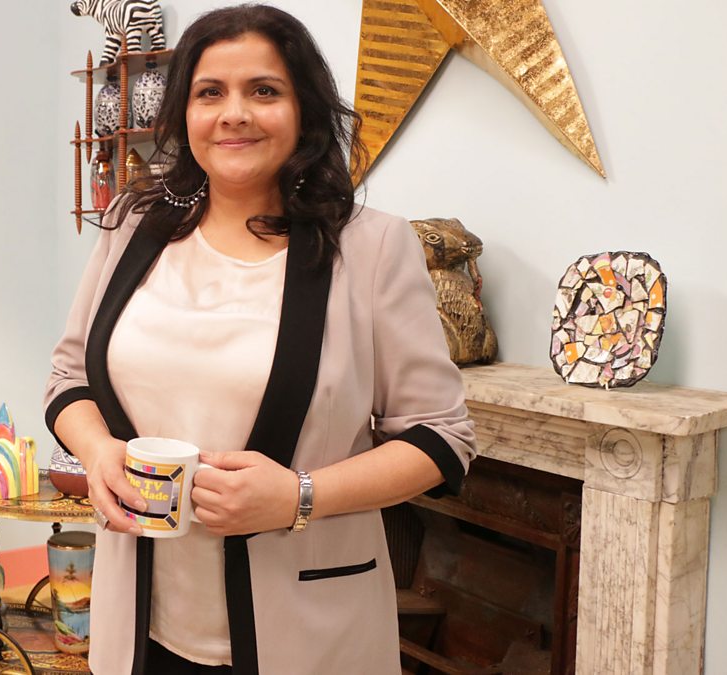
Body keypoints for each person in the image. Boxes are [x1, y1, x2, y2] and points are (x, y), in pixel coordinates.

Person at [44, 5, 476, 674]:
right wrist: (99, 451)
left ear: (304, 111)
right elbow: (70, 375)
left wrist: (298, 495)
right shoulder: (134, 225)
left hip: (306, 634)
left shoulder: (371, 246)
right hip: (141, 625)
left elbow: (441, 438)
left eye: (264, 91)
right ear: (183, 112)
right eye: (210, 92)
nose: (234, 113)